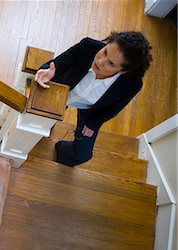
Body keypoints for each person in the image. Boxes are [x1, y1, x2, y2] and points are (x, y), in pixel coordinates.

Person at [34, 31, 152, 167]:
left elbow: (112, 110)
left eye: (111, 64)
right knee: (43, 122)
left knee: (82, 154)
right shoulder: (88, 46)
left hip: (89, 110)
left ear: (123, 71)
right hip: (61, 94)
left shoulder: (131, 84)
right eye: (105, 52)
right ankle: (48, 125)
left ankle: (61, 149)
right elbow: (57, 64)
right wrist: (49, 71)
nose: (100, 61)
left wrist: (92, 124)